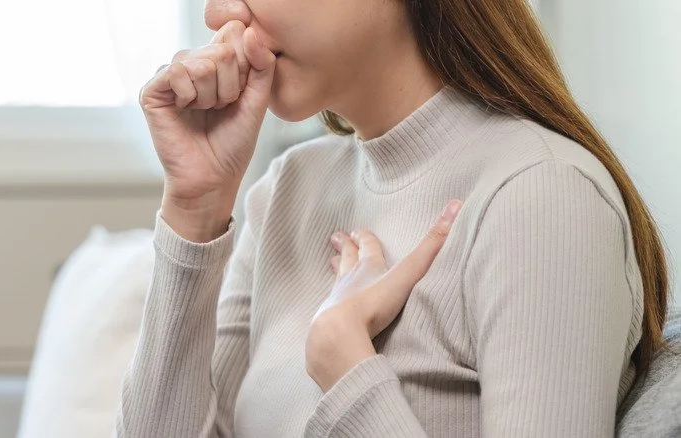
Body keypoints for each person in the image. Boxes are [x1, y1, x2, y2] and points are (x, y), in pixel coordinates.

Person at [116, 0, 670, 436]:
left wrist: (349, 369)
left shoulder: (541, 196)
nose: (218, 16)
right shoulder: (286, 191)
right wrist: (196, 208)